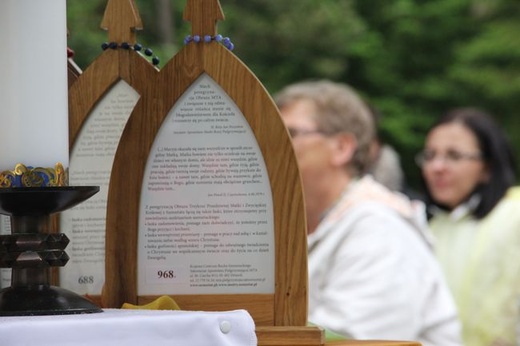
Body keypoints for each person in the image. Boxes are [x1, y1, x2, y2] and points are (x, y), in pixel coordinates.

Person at [274, 80, 462, 345]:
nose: (269, 145)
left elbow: (353, 340)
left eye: (289, 133)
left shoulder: (379, 229)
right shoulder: (306, 224)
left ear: (341, 148)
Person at [417, 107, 520, 346]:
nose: (437, 167)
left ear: (487, 166)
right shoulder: (429, 227)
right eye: (430, 155)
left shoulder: (514, 215)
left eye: (453, 156)